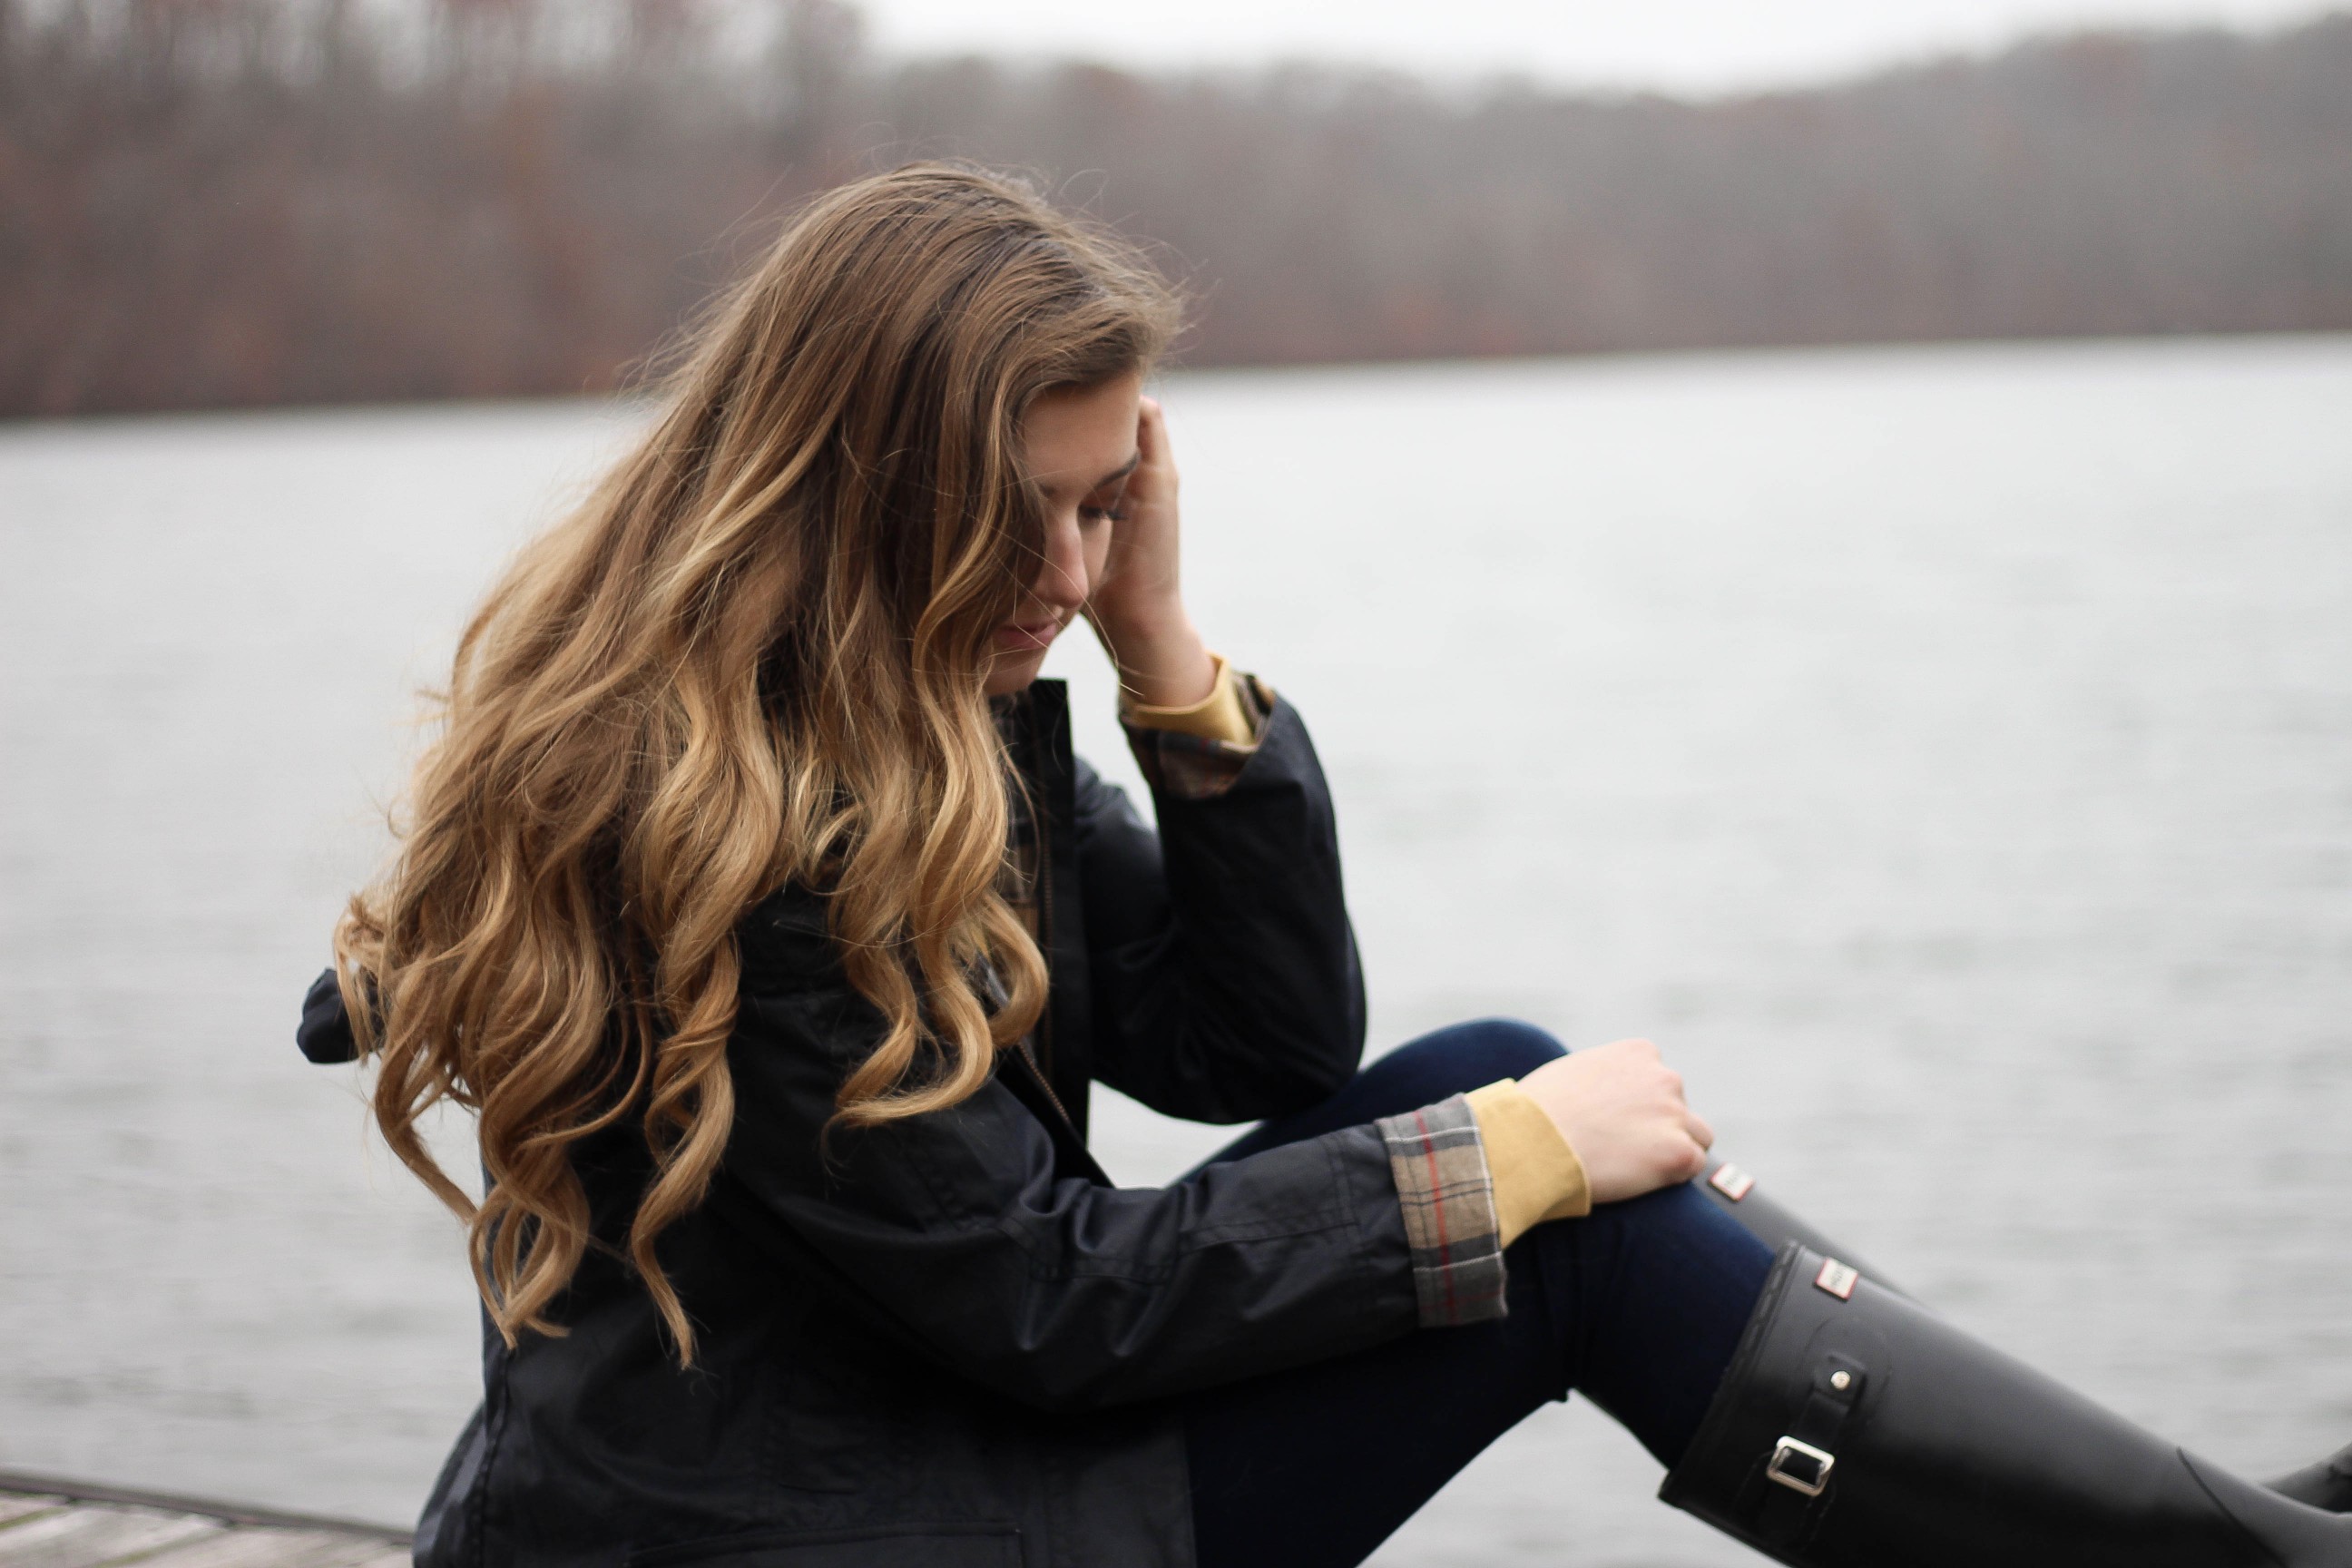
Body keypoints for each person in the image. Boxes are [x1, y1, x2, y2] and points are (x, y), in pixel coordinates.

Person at [297, 163, 2351, 1568]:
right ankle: (2215, 1548)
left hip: (896, 1470)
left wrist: (1166, 666)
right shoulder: (730, 819)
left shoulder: (922, 703)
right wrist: (1515, 1166)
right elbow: (1047, 1305)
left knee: (1505, 1076)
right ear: (864, 480)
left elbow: (1263, 1035)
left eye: (1110, 507)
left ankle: (2177, 1531)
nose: (1069, 571)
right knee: (1571, 1204)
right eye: (1033, 512)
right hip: (803, 1535)